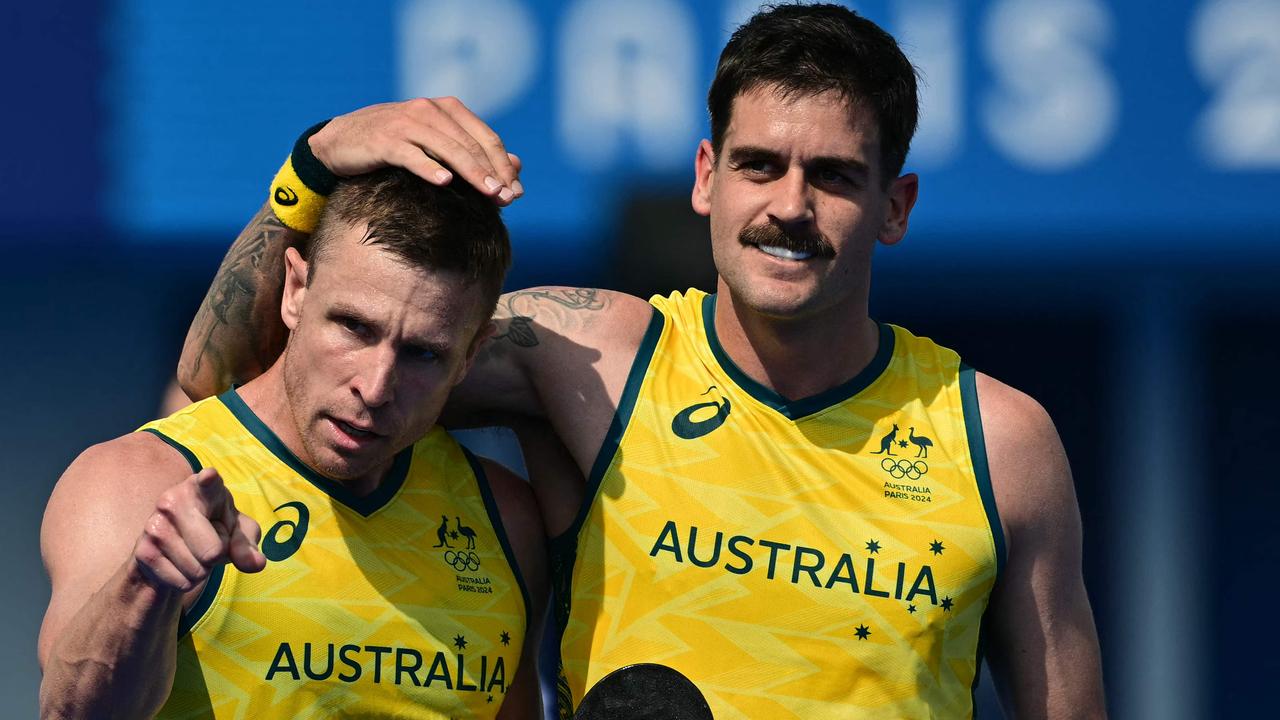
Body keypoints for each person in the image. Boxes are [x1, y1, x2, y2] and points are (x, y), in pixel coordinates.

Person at [178, 5, 1106, 718]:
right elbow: (238, 383)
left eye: (832, 175)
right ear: (706, 176)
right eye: (758, 165)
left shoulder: (1001, 442)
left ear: (896, 206)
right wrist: (313, 165)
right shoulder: (592, 356)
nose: (789, 205)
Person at [39, 169, 548, 719]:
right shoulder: (139, 479)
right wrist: (148, 585)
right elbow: (70, 713)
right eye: (353, 326)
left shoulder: (505, 519)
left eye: (423, 353)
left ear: (471, 355)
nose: (375, 388)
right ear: (296, 291)